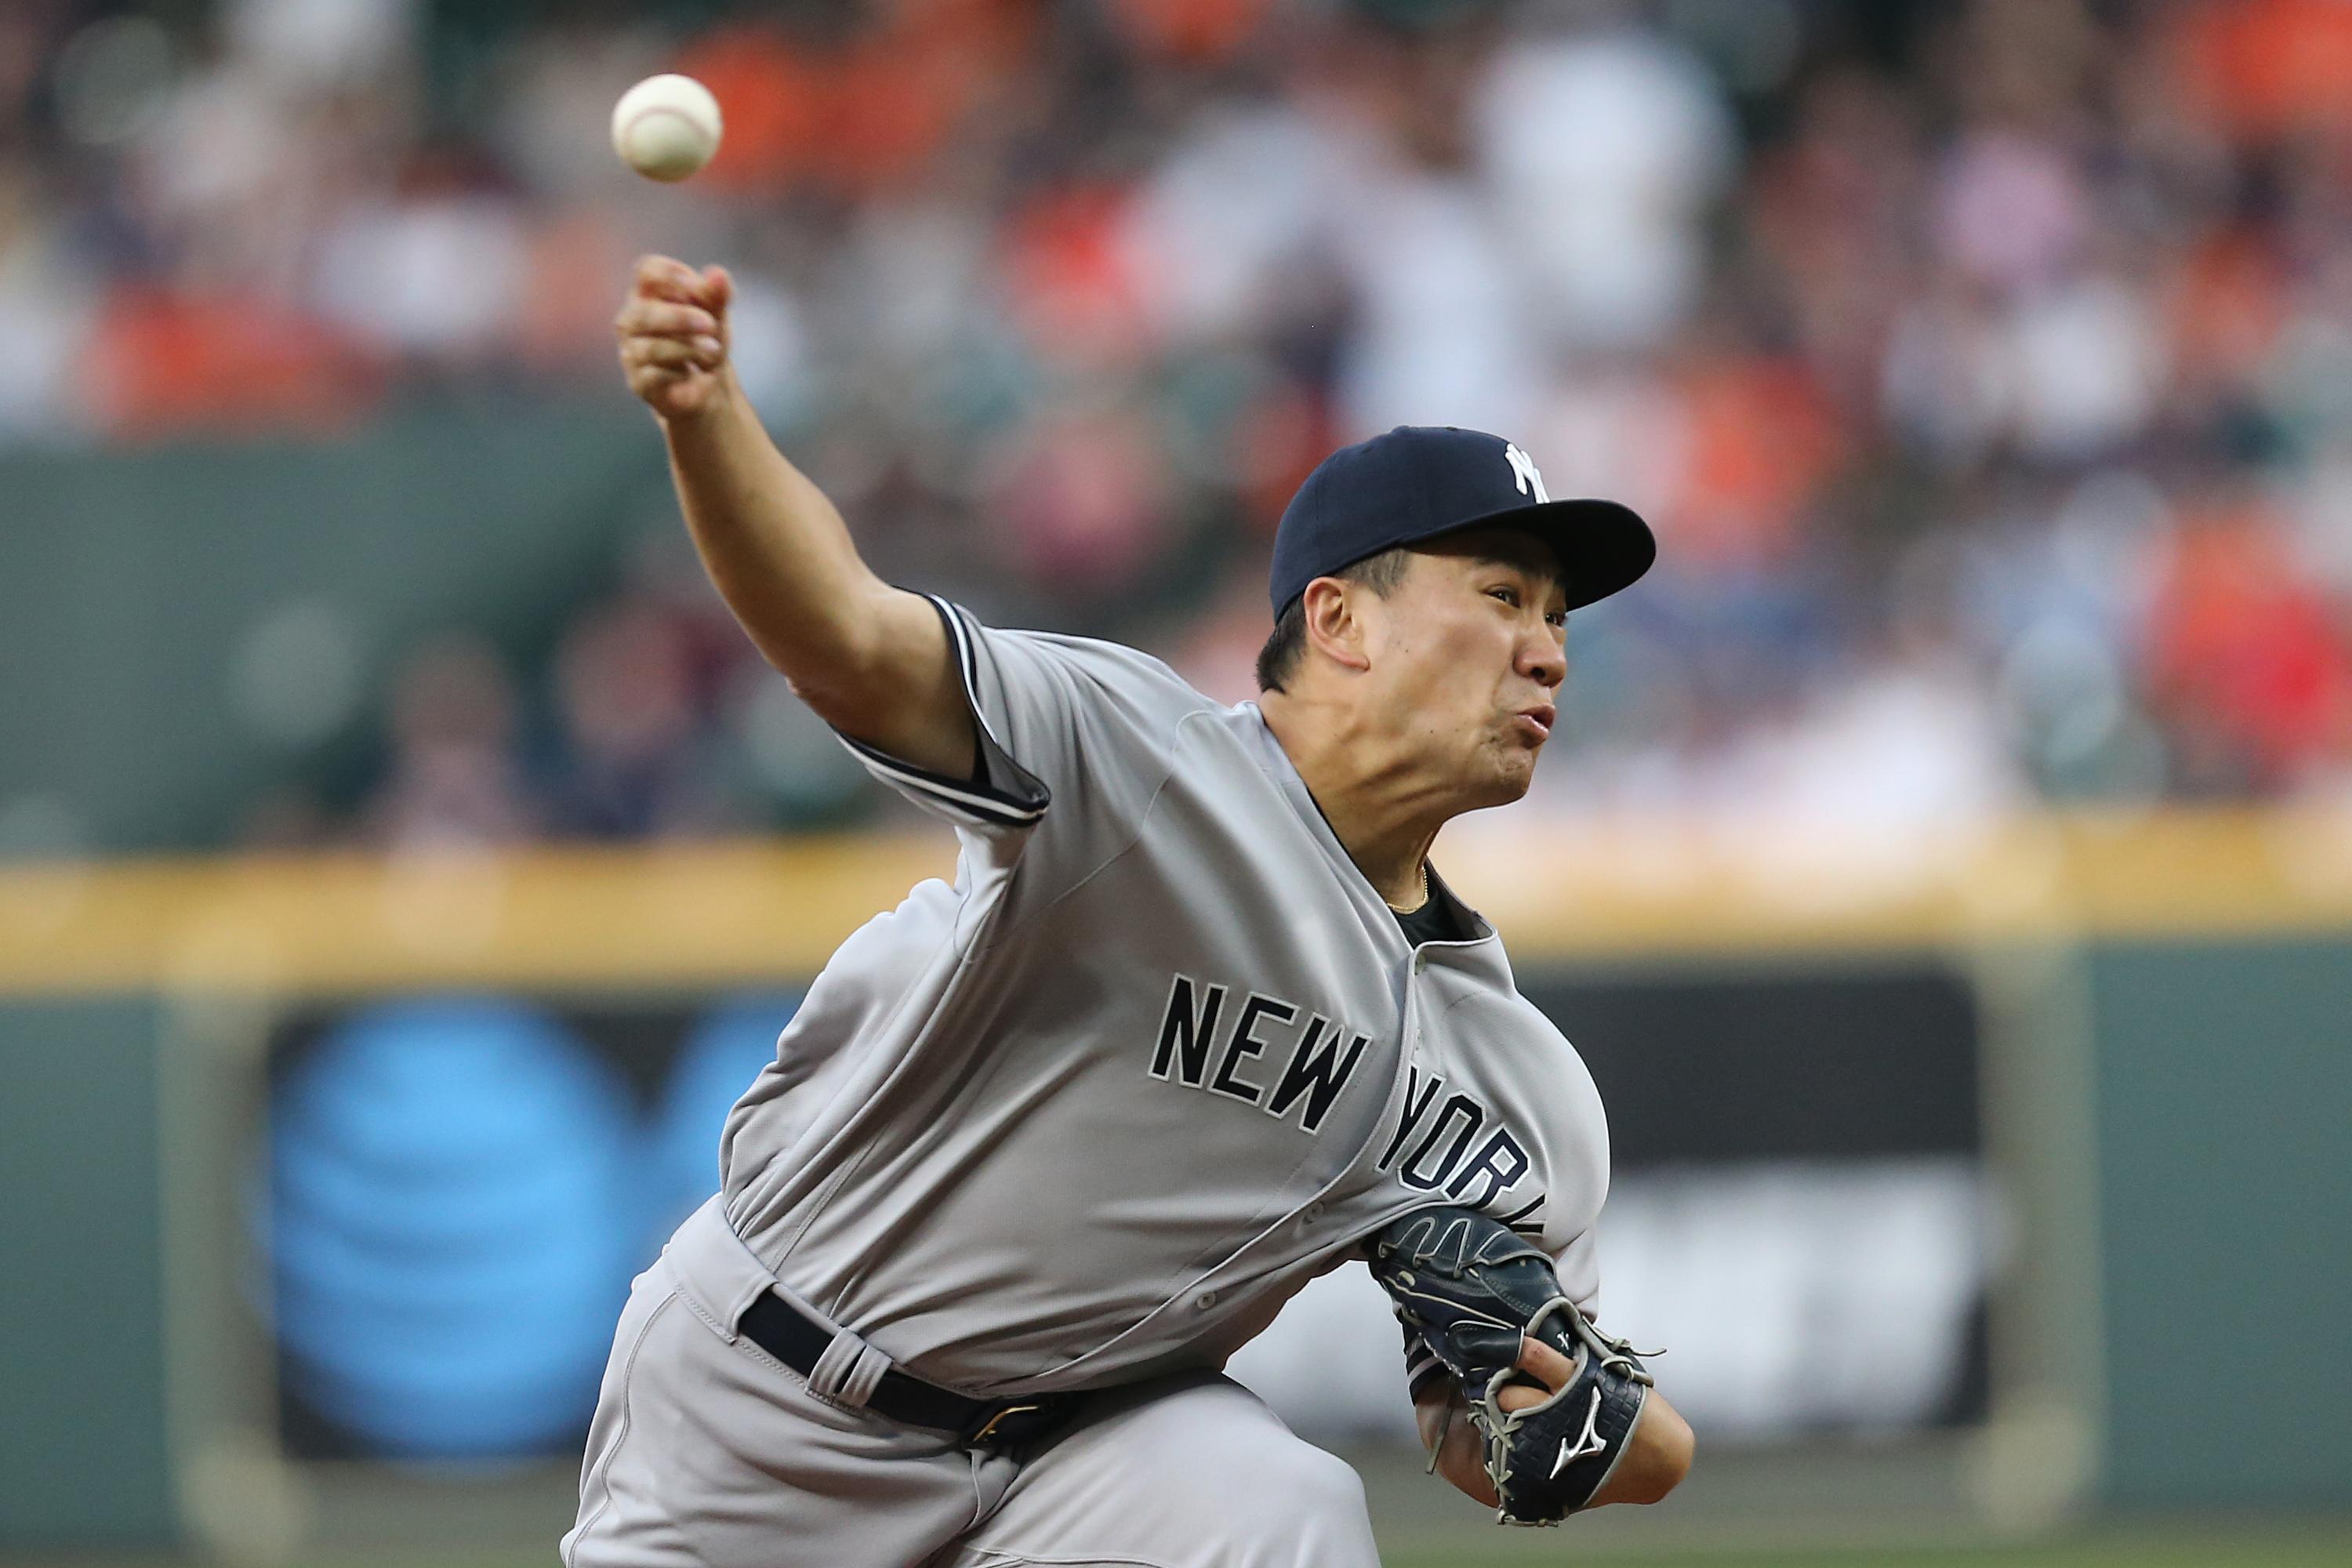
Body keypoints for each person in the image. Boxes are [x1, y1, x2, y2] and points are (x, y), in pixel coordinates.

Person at [564, 256, 1694, 1568]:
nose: (1549, 649)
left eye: (1557, 617)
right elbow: (850, 639)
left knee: (1284, 1511)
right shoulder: (1133, 765)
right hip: (772, 1407)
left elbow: (1503, 1431)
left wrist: (1581, 1437)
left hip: (1087, 1456)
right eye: (1502, 597)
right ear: (1338, 621)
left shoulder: (1512, 1079)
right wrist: (707, 422)